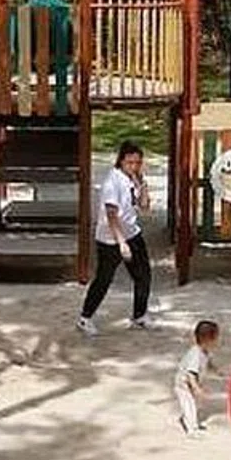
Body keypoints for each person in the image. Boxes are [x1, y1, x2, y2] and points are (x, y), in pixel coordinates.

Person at [77, 140, 151, 336]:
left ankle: (139, 315)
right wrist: (121, 243)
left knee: (143, 275)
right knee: (104, 278)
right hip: (111, 238)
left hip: (132, 232)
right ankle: (85, 317)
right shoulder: (113, 182)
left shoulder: (133, 179)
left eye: (137, 162)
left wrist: (143, 186)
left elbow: (144, 207)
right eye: (130, 162)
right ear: (121, 161)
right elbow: (111, 214)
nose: (134, 166)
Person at [174, 319, 221, 435]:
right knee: (189, 405)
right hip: (183, 385)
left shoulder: (205, 351)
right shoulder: (195, 354)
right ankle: (191, 429)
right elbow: (190, 374)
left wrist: (216, 370)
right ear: (208, 340)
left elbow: (209, 363)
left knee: (193, 404)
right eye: (215, 338)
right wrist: (196, 388)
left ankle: (193, 423)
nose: (217, 341)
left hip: (190, 384)